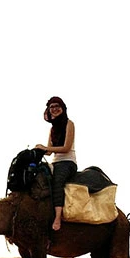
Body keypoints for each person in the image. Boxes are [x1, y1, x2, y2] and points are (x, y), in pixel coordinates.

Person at [35, 97, 77, 231]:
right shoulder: (52, 129)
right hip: (55, 162)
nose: (54, 109)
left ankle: (58, 218)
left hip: (67, 162)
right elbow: (48, 152)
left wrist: (45, 148)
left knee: (57, 182)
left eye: (57, 106)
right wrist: (38, 150)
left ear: (63, 108)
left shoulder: (69, 124)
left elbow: (66, 147)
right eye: (52, 107)